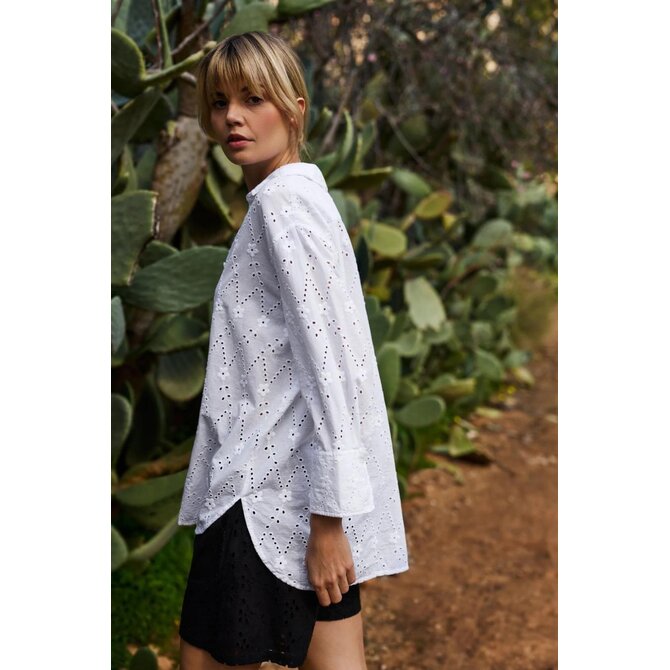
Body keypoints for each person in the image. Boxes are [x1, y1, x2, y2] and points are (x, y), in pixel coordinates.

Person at [177, 31, 410, 670]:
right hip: (296, 493)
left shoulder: (282, 206)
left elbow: (330, 367)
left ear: (295, 107)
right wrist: (329, 512)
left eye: (253, 99)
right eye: (220, 101)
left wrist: (330, 522)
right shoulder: (303, 199)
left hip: (256, 496)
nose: (233, 117)